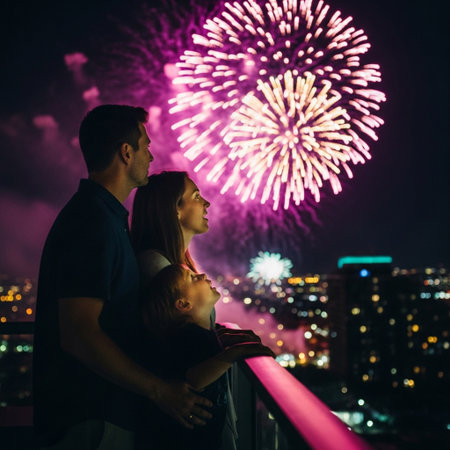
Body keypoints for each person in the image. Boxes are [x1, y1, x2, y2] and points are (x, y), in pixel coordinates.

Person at [32, 105, 212, 450]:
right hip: (90, 421)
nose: (152, 154)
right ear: (126, 153)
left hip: (98, 415)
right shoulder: (93, 223)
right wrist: (160, 390)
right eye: (145, 145)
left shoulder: (104, 217)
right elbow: (79, 333)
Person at [131, 171, 263, 449]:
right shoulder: (156, 268)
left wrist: (219, 337)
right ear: (174, 210)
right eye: (196, 197)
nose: (207, 204)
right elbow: (161, 344)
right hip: (184, 426)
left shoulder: (175, 265)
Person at [136, 264, 274, 450]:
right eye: (192, 278)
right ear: (184, 304)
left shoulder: (199, 335)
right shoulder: (189, 336)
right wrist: (233, 354)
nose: (201, 275)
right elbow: (195, 378)